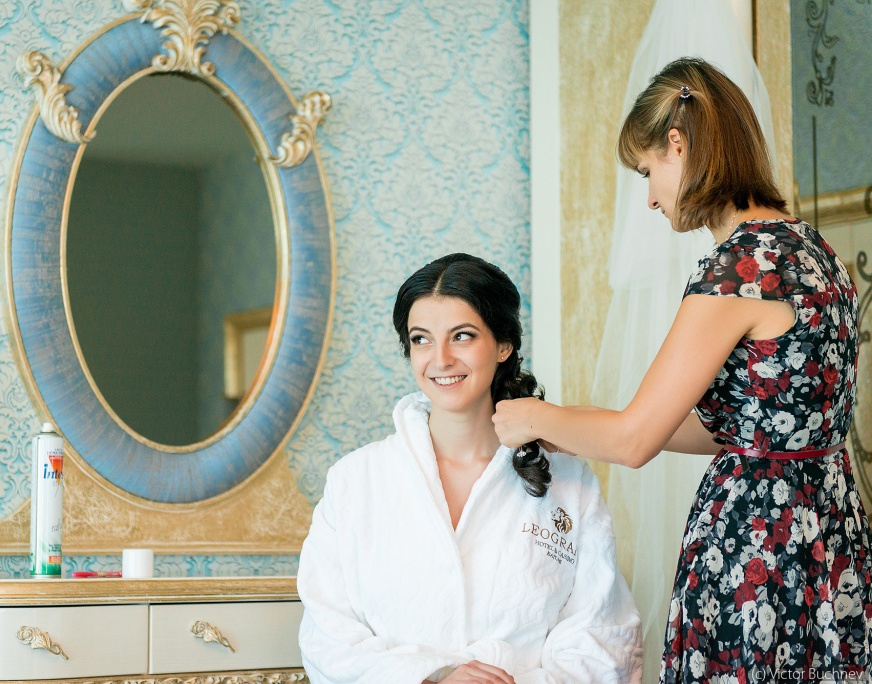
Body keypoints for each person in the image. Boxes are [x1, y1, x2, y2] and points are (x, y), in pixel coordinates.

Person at [493, 57, 872, 682]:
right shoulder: (813, 249)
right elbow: (746, 430)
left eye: (648, 172)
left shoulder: (739, 270)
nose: (649, 198)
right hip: (829, 531)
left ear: (678, 144)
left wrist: (534, 416)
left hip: (758, 545)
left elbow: (635, 443)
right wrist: (575, 424)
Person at [297, 253, 643, 684]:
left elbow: (604, 636)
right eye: (421, 339)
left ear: (503, 345)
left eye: (461, 336)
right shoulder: (355, 481)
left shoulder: (568, 480)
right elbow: (327, 639)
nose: (440, 359)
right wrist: (433, 678)